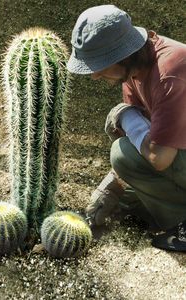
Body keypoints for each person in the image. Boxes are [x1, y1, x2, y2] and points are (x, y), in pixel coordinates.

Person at [67, 4, 186, 251]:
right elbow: (145, 135)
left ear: (122, 56)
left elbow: (159, 157)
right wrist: (114, 185)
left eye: (98, 65)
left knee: (123, 154)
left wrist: (128, 120)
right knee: (127, 169)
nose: (94, 76)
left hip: (173, 152)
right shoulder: (135, 70)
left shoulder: (170, 73)